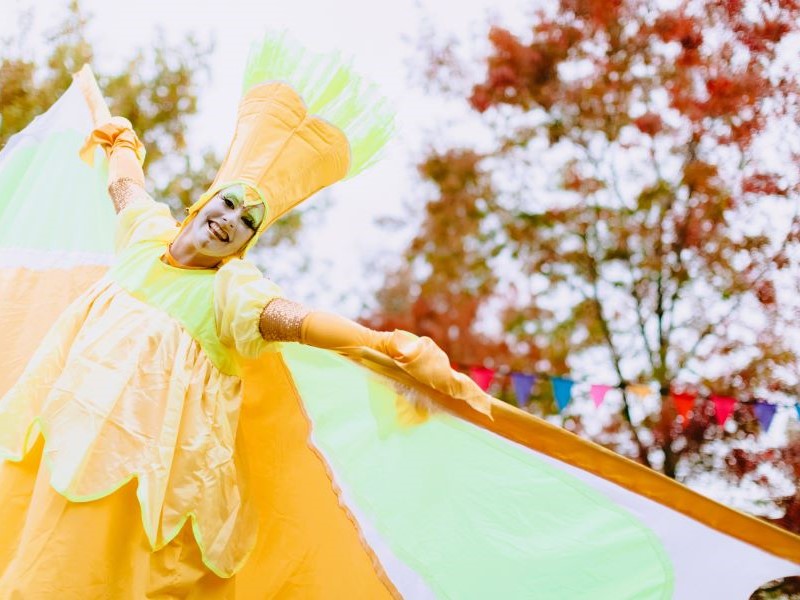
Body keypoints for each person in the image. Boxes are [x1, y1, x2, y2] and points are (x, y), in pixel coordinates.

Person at [1, 34, 797, 600]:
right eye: (224, 209)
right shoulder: (146, 239)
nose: (227, 224)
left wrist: (387, 346)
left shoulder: (232, 293)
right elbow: (127, 183)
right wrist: (116, 138)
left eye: (245, 221)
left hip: (138, 474)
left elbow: (306, 322)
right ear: (203, 203)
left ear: (249, 238)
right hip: (63, 435)